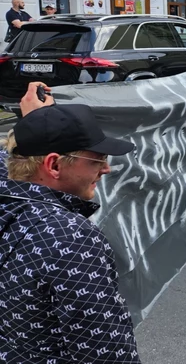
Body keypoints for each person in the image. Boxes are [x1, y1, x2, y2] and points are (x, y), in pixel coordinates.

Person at [0, 82, 141, 362]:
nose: (106, 168)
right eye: (96, 159)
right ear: (53, 165)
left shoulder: (8, 197)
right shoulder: (70, 237)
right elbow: (106, 351)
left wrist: (38, 122)